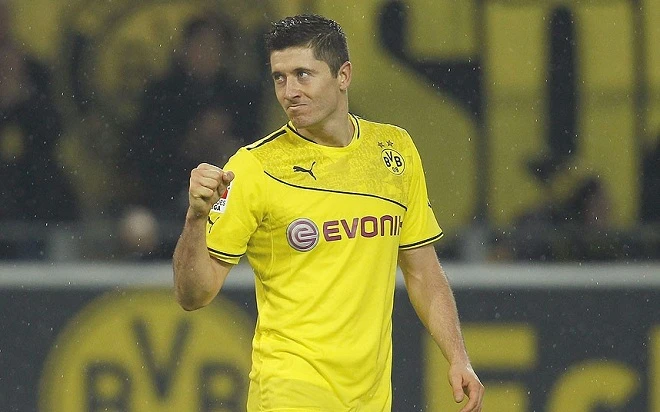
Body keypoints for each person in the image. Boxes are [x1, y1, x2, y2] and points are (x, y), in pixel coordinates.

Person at [173, 14, 483, 411]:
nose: (290, 91)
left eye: (303, 75)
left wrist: (458, 356)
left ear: (343, 75)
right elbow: (193, 294)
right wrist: (196, 218)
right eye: (279, 78)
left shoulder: (394, 151)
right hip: (290, 393)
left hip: (370, 399)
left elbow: (423, 273)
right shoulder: (253, 168)